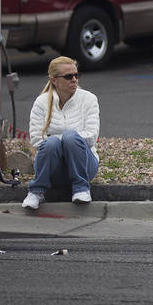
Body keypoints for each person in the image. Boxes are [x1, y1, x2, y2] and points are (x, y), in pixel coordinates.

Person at [22, 56, 100, 210]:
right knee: (51, 143)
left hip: (84, 165)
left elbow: (91, 136)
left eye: (76, 75)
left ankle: (81, 189)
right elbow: (37, 140)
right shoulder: (41, 102)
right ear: (54, 80)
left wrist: (66, 139)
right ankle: (36, 192)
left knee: (70, 137)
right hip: (53, 167)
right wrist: (59, 142)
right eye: (68, 76)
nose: (74, 80)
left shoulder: (89, 99)